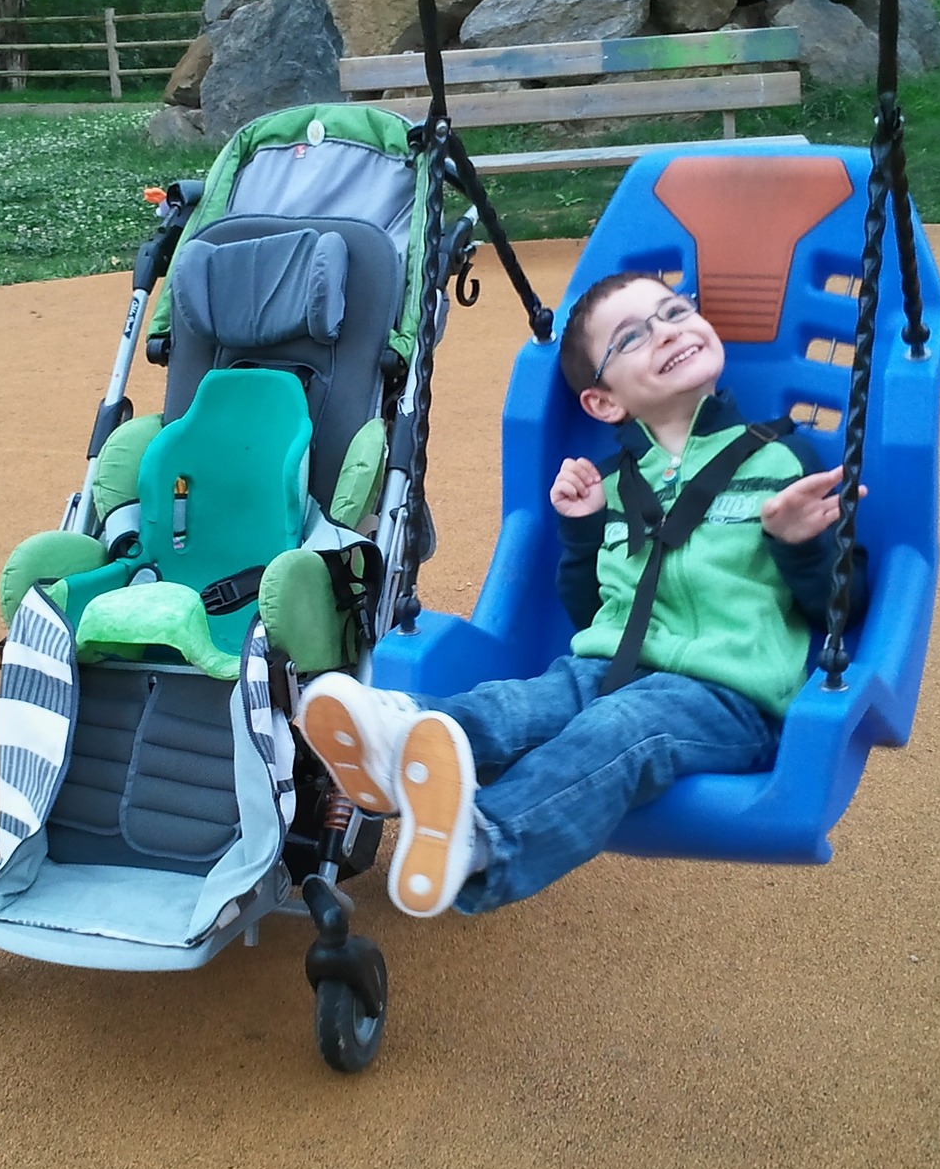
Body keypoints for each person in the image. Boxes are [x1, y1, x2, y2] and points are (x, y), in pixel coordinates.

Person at [296, 271, 867, 919]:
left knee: (619, 727)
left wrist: (800, 542)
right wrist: (583, 530)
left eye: (675, 311)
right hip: (605, 669)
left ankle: (483, 841)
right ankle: (398, 737)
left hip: (728, 697)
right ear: (603, 402)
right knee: (515, 705)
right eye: (632, 336)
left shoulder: (782, 461)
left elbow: (843, 609)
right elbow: (591, 613)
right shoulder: (614, 485)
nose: (666, 332)